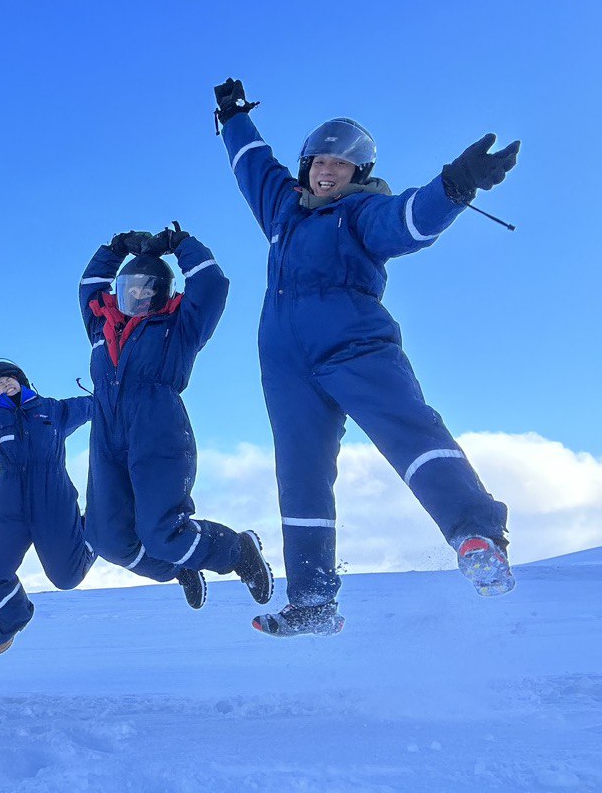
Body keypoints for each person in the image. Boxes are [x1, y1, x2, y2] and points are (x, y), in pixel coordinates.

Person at [213, 77, 520, 638]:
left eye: (340, 164)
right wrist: (233, 117)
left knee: (409, 431)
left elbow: (407, 221)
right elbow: (252, 165)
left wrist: (454, 186)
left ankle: (476, 534)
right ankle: (312, 601)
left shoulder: (360, 213)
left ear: (357, 174)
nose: (327, 171)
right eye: (319, 161)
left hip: (355, 348)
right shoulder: (283, 210)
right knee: (300, 475)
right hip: (286, 369)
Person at [78, 225, 274, 611]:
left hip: (157, 429)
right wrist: (115, 248)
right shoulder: (101, 323)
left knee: (163, 532)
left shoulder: (180, 326)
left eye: (148, 289)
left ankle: (239, 552)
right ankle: (180, 568)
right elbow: (89, 285)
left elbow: (211, 284)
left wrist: (182, 245)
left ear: (163, 293)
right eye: (131, 288)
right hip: (106, 435)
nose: (138, 295)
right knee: (106, 540)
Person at [0, 355, 95, 654]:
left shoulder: (52, 409)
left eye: (10, 378)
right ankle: (14, 615)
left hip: (53, 500)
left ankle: (98, 529)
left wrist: (117, 396)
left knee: (67, 577)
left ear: (21, 381)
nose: (6, 383)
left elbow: (94, 406)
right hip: (10, 506)